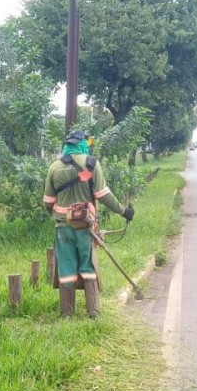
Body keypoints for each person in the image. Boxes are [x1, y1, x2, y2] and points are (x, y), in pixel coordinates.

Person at [43, 130, 134, 318]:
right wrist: (124, 211)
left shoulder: (54, 167)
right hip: (85, 228)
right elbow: (103, 195)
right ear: (83, 144)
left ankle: (67, 313)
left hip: (63, 228)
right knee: (88, 266)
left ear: (66, 145)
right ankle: (93, 312)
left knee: (66, 268)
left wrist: (60, 215)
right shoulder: (92, 164)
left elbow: (47, 202)